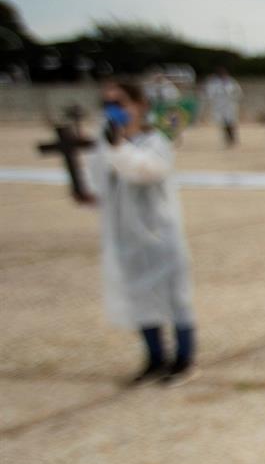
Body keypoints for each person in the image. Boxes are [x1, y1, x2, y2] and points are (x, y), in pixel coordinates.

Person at [86, 80, 198, 387]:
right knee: (140, 298)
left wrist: (118, 147)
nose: (113, 110)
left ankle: (184, 358)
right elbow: (97, 182)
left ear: (140, 105)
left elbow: (145, 171)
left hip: (159, 232)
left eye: (120, 102)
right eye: (107, 104)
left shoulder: (156, 140)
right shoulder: (105, 142)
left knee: (175, 298)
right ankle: (154, 359)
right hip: (126, 234)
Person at [203, 67, 242, 147]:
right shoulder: (213, 83)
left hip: (229, 105)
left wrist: (234, 98)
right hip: (219, 106)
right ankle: (227, 139)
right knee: (223, 123)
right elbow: (209, 94)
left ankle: (232, 138)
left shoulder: (231, 81)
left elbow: (237, 92)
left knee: (231, 122)